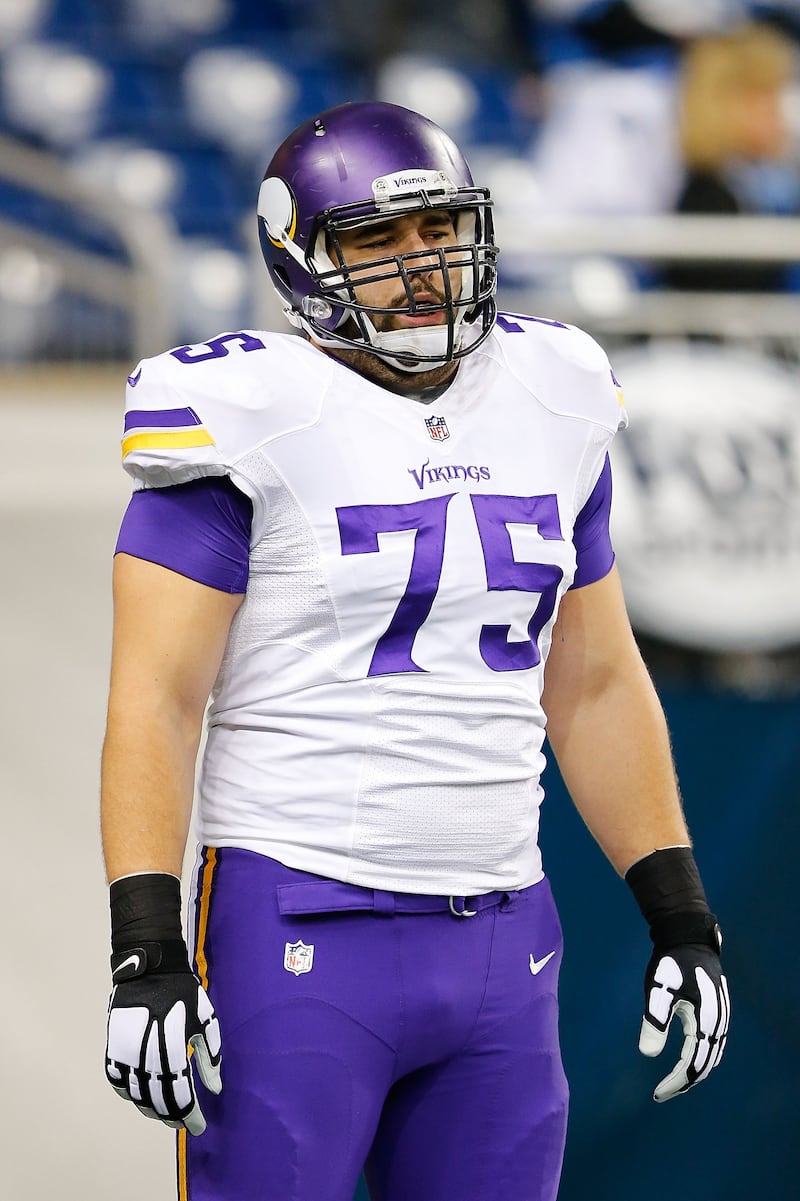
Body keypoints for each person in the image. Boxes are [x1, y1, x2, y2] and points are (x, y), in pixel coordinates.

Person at [101, 100, 729, 1201]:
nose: (418, 262)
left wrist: (678, 911)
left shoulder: (553, 387)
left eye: (436, 227)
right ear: (299, 257)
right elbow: (156, 699)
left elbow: (590, 680)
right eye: (374, 239)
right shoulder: (242, 407)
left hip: (503, 933)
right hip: (296, 925)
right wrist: (146, 947)